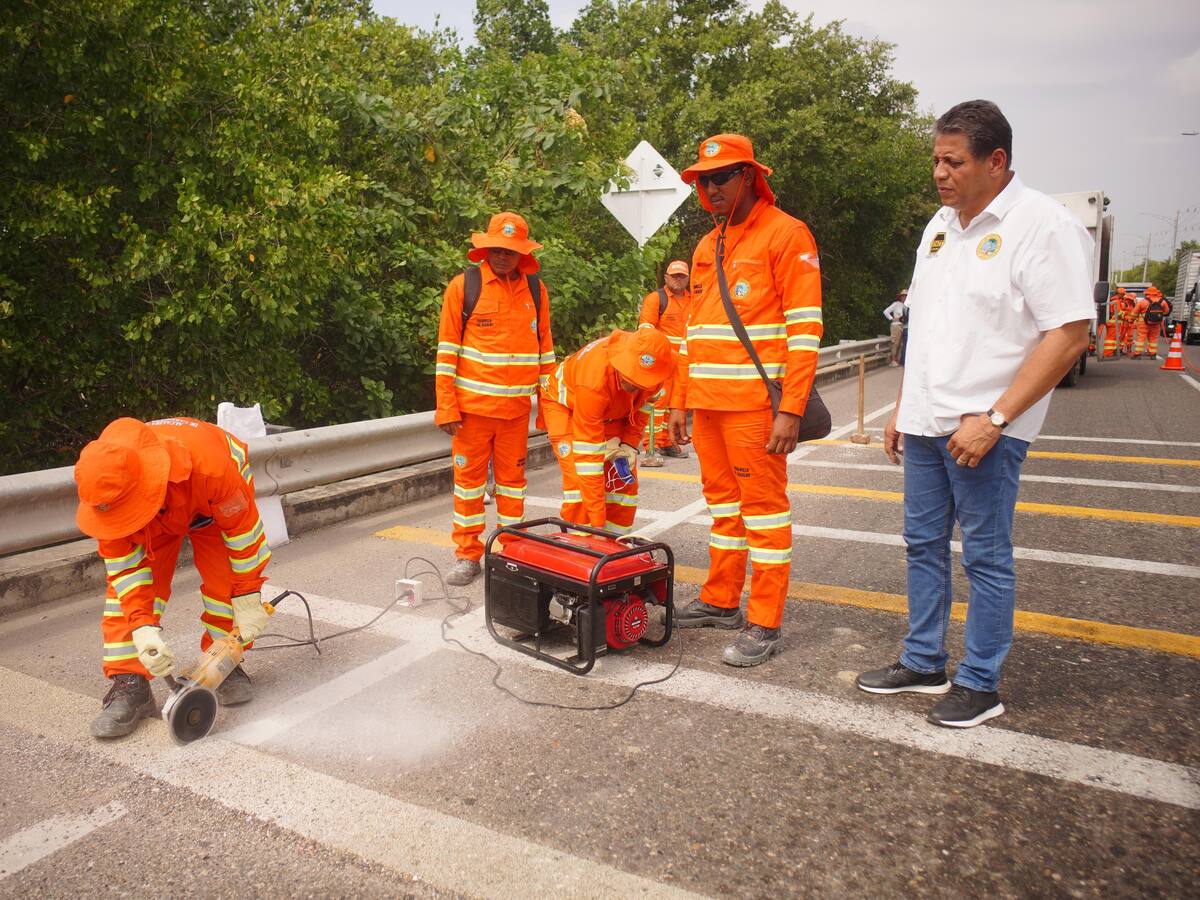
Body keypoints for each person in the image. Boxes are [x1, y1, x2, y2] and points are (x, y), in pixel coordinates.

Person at [856, 100, 1093, 727]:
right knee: (921, 544)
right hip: (927, 420)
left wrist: (996, 418)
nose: (939, 172)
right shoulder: (939, 225)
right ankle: (924, 659)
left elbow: (1068, 335)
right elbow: (927, 326)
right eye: (935, 159)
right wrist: (903, 405)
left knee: (985, 555)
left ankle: (982, 681)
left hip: (985, 428)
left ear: (996, 161)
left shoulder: (1041, 225)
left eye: (953, 161)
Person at [667, 133, 823, 667]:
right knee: (724, 510)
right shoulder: (706, 244)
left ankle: (765, 621)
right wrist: (679, 400)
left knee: (764, 515)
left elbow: (804, 333)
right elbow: (692, 333)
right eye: (702, 180)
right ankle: (719, 600)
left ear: (750, 177)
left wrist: (791, 410)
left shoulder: (787, 234)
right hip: (708, 405)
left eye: (721, 177)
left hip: (756, 408)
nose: (709, 188)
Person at [74, 417, 275, 739]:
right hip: (156, 511)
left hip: (209, 506)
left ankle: (222, 664)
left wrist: (250, 597)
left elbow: (244, 538)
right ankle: (130, 686)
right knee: (125, 599)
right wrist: (142, 628)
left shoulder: (212, 471)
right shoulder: (108, 495)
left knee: (226, 586)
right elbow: (126, 573)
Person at [435, 212, 555, 586]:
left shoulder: (536, 291)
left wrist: (548, 408)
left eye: (510, 250)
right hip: (471, 414)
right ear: (486, 249)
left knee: (513, 486)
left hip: (516, 414)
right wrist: (446, 405)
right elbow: (446, 352)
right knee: (468, 487)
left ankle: (510, 552)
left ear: (523, 254)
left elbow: (546, 353)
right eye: (497, 249)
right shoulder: (464, 286)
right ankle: (468, 556)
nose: (503, 256)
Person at [540, 328, 674, 534]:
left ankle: (616, 543)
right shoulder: (594, 380)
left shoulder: (656, 370)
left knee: (623, 479)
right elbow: (588, 461)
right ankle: (582, 545)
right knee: (579, 480)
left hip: (611, 411)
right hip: (565, 407)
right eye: (630, 376)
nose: (631, 383)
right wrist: (597, 526)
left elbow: (644, 408)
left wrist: (629, 444)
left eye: (639, 381)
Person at [637, 260, 691, 458]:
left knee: (675, 404)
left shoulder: (692, 300)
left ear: (688, 278)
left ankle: (667, 441)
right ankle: (652, 446)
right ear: (666, 277)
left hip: (683, 363)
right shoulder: (655, 299)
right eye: (674, 276)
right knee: (658, 404)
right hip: (662, 361)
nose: (678, 280)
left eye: (682, 276)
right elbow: (645, 329)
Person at [1142, 286, 1171, 357]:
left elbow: (1135, 311)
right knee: (1153, 339)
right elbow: (1167, 312)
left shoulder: (1143, 301)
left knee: (1141, 338)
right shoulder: (1162, 301)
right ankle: (1153, 354)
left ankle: (1137, 354)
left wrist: (1131, 319)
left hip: (1144, 323)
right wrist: (1159, 315)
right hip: (1157, 323)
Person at [882, 290, 908, 366]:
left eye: (906, 296)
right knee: (895, 343)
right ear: (900, 297)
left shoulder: (906, 306)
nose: (904, 297)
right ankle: (893, 359)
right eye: (903, 296)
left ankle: (897, 360)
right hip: (896, 325)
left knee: (901, 344)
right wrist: (892, 318)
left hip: (903, 326)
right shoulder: (896, 304)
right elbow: (886, 311)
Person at [1118, 290, 1138, 355]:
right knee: (1122, 336)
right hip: (1125, 323)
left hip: (1130, 323)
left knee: (1130, 337)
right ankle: (1120, 349)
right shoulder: (1124, 304)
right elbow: (1120, 314)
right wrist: (1127, 318)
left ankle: (1128, 349)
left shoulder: (1133, 305)